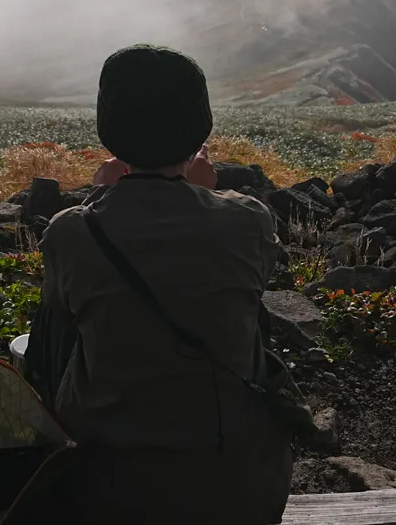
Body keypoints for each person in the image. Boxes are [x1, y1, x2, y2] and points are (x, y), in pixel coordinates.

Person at [36, 44, 292, 525]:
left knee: (54, 320)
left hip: (104, 495)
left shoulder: (71, 232)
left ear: (109, 130)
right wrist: (200, 193)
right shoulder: (249, 222)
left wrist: (102, 195)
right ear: (200, 130)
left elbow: (62, 310)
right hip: (239, 496)